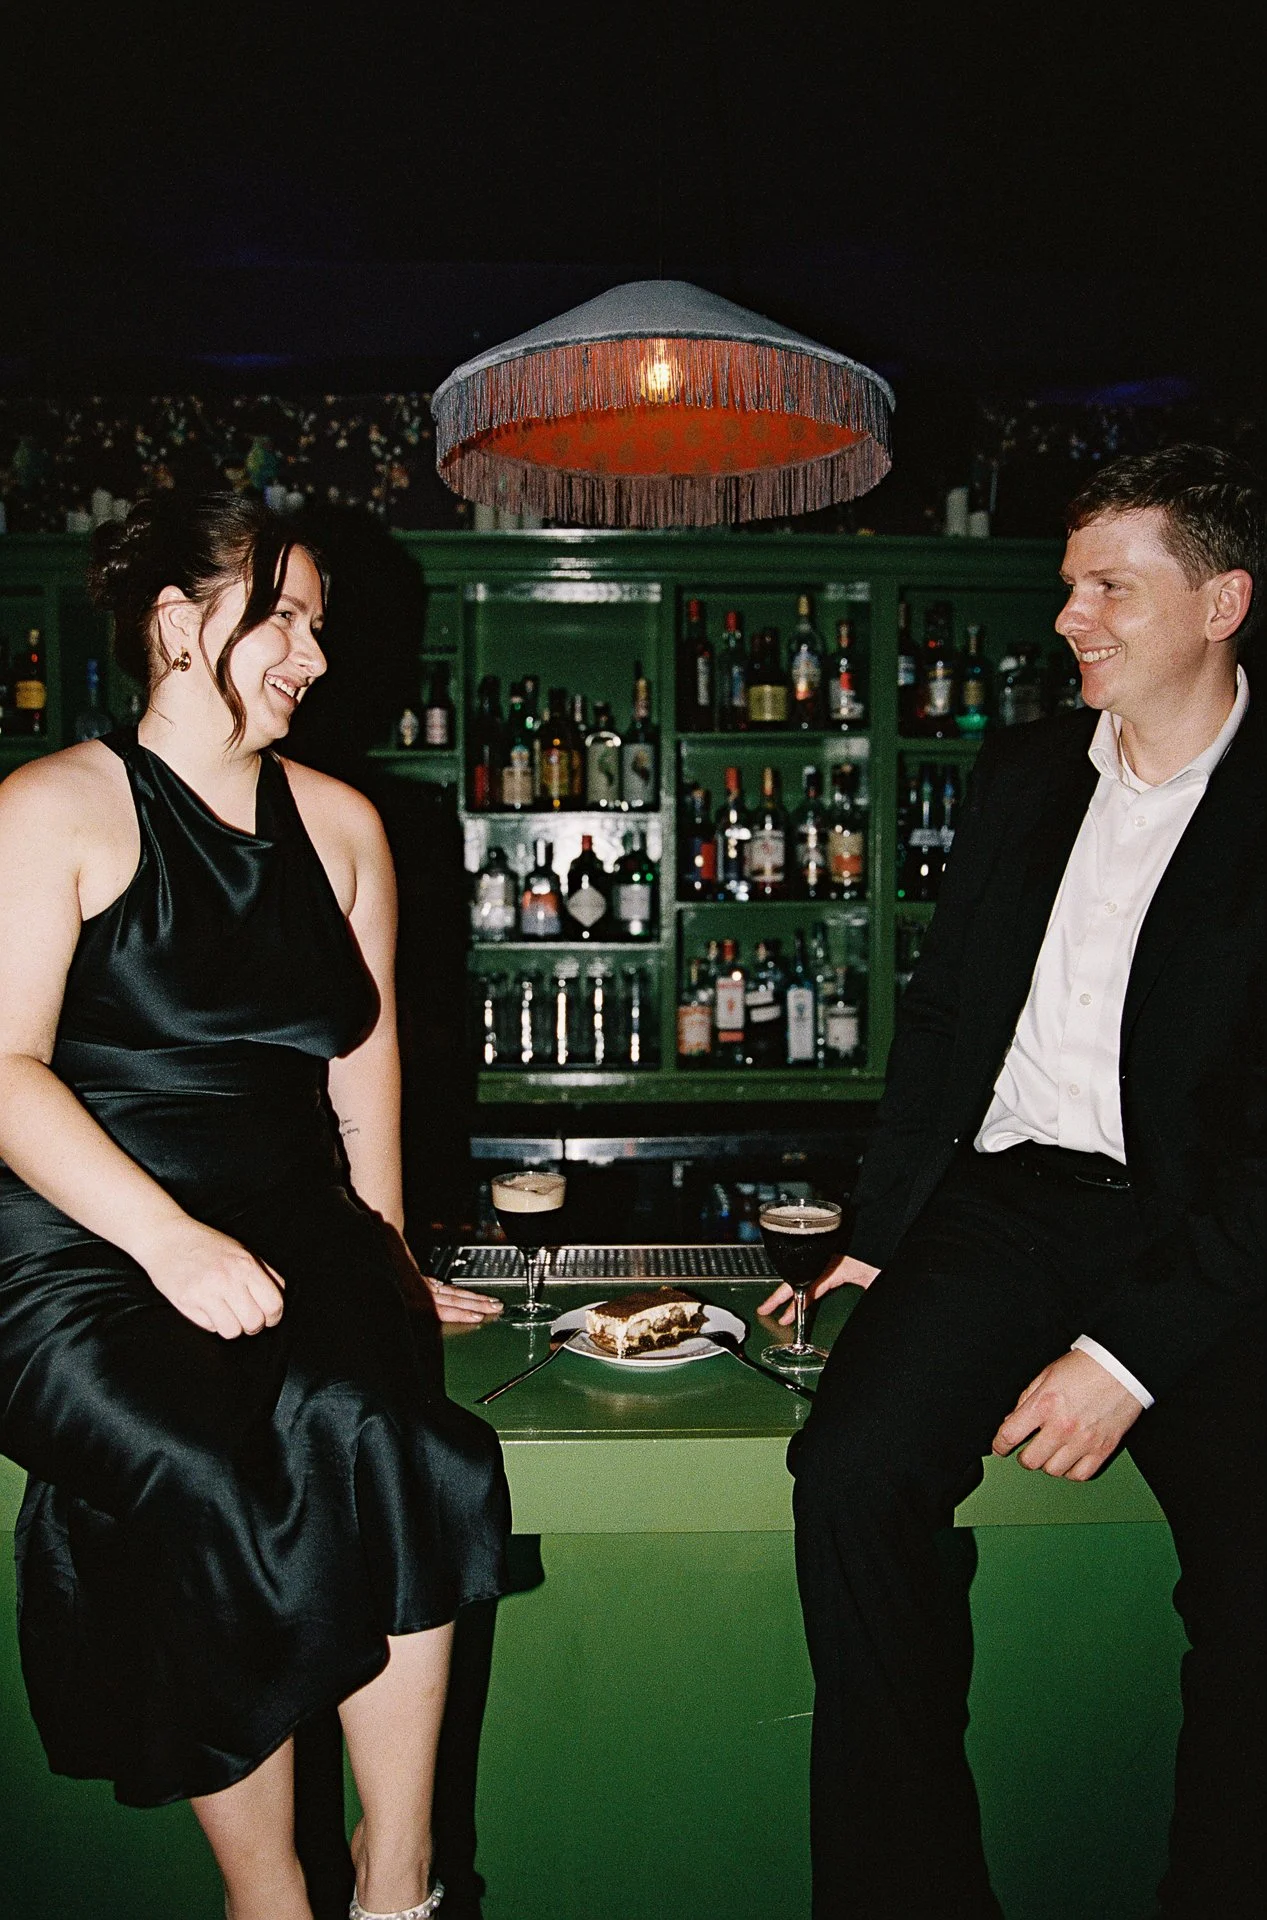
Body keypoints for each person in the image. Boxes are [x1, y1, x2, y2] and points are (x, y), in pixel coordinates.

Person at [759, 444, 1267, 1918]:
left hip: (1205, 1236)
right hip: (1005, 1203)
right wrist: (880, 1236)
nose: (1068, 618)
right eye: (1067, 586)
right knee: (848, 1479)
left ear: (1222, 599)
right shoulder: (1021, 773)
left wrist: (1124, 1358)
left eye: (1110, 585)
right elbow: (943, 1022)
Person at [0, 492, 510, 1920]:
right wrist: (164, 1238)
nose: (315, 656)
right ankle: (265, 1897)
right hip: (79, 1238)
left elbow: (367, 1062)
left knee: (401, 1438)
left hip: (295, 1219)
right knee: (216, 1475)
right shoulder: (54, 808)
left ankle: (395, 1878)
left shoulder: (345, 824)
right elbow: (1, 1068)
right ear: (179, 623)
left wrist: (391, 1257)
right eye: (283, 618)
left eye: (319, 627)